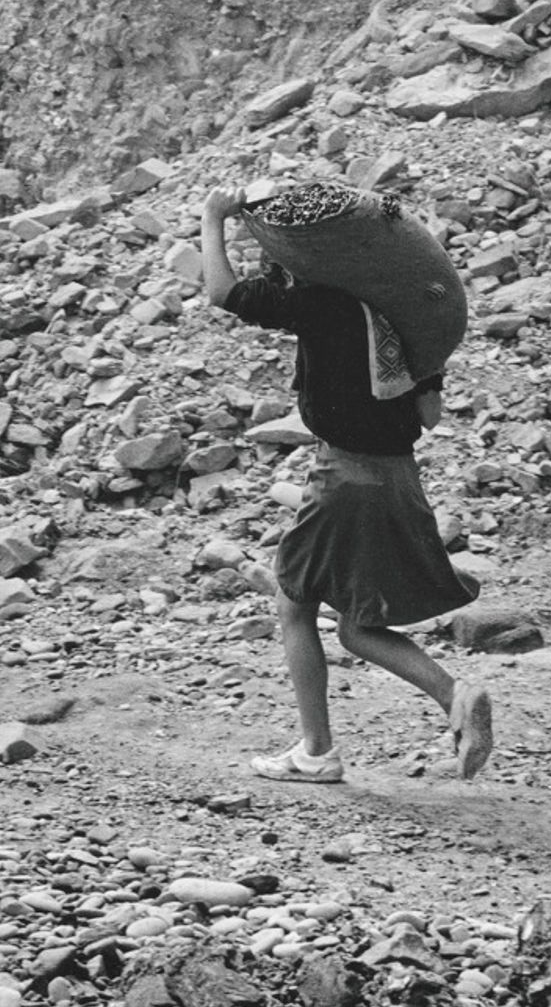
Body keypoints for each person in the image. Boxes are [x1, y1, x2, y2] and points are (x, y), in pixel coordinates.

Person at [201, 184, 493, 784]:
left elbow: (220, 291)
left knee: (294, 604)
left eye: (276, 264)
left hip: (346, 477)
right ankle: (457, 695)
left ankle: (316, 752)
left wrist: (212, 217)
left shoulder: (320, 303)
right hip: (399, 480)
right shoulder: (393, 318)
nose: (272, 273)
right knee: (359, 626)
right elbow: (430, 418)